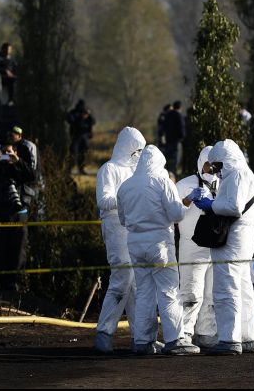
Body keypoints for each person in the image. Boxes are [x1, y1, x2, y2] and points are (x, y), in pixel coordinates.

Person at [117, 145, 200, 356]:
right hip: (159, 244)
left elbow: (122, 219)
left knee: (144, 292)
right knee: (168, 291)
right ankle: (175, 340)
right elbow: (176, 214)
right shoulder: (163, 181)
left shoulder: (125, 186)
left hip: (135, 244)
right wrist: (188, 201)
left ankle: (143, 341)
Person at [196, 139, 254, 355]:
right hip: (243, 240)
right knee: (243, 288)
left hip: (232, 242)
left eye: (217, 165)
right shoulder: (244, 173)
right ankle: (247, 338)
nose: (216, 171)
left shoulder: (236, 175)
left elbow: (234, 207)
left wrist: (210, 205)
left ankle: (229, 340)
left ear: (227, 160)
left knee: (226, 288)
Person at [94, 127, 146, 353]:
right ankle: (104, 332)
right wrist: (127, 199)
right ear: (127, 148)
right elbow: (103, 200)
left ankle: (141, 337)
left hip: (134, 228)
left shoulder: (136, 172)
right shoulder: (109, 169)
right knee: (122, 278)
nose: (139, 155)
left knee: (135, 284)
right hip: (115, 228)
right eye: (136, 150)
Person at [174, 146, 218, 348]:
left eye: (216, 165)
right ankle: (183, 333)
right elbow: (172, 214)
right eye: (209, 164)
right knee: (191, 292)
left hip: (215, 246)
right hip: (191, 246)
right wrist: (187, 200)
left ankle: (206, 332)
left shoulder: (224, 184)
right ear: (201, 163)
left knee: (211, 294)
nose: (212, 169)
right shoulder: (185, 185)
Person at [0, 143, 35, 288]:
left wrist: (18, 161)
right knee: (0, 248)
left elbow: (32, 176)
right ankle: (0, 282)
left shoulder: (20, 167)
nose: (7, 154)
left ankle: (16, 282)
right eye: (4, 152)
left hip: (19, 213)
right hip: (0, 213)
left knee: (18, 249)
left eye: (9, 152)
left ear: (15, 152)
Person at [66, 100, 95, 175]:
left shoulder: (86, 112)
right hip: (75, 136)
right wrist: (79, 117)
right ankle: (69, 169)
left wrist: (88, 114)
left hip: (84, 136)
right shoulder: (74, 113)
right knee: (73, 153)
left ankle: (81, 169)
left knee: (83, 153)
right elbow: (69, 120)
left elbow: (93, 122)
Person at [164, 101, 186, 175]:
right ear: (180, 107)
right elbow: (182, 128)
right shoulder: (179, 115)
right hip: (176, 141)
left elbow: (164, 127)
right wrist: (182, 138)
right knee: (176, 160)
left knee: (168, 159)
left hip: (168, 141)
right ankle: (175, 175)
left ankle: (168, 173)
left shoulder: (167, 115)